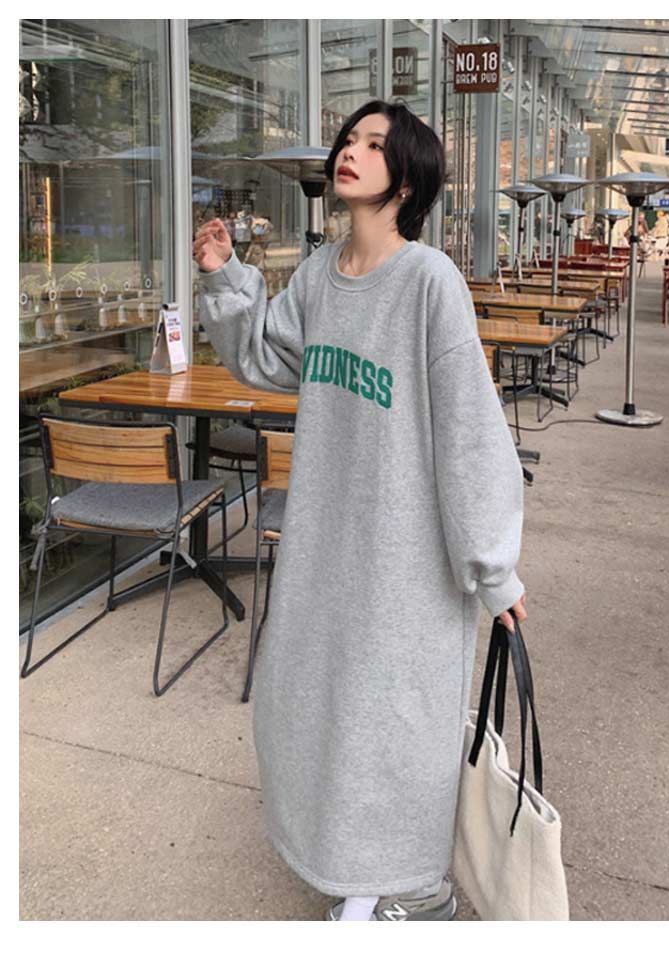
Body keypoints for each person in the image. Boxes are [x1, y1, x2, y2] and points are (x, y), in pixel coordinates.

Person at [193, 99, 527, 922]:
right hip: (325, 542)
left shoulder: (429, 282)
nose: (351, 150)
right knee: (315, 704)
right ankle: (353, 859)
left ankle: (415, 885)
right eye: (350, 138)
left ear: (406, 178)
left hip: (407, 555)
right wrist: (224, 278)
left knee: (396, 718)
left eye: (375, 144)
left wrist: (493, 569)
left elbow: (469, 432)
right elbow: (266, 357)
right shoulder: (318, 275)